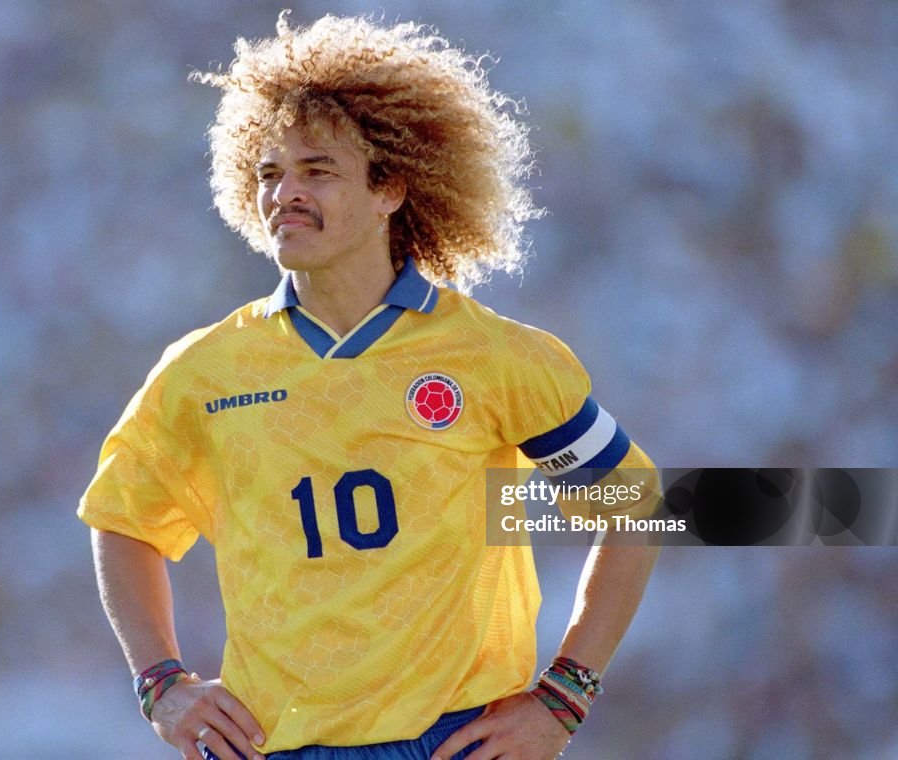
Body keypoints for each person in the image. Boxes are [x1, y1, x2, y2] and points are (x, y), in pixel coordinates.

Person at [79, 12, 661, 760]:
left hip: (455, 742)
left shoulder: (492, 357)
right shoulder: (202, 372)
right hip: (272, 747)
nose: (284, 193)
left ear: (391, 186)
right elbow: (123, 522)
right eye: (268, 173)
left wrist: (565, 694)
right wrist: (161, 682)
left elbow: (634, 508)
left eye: (316, 170)